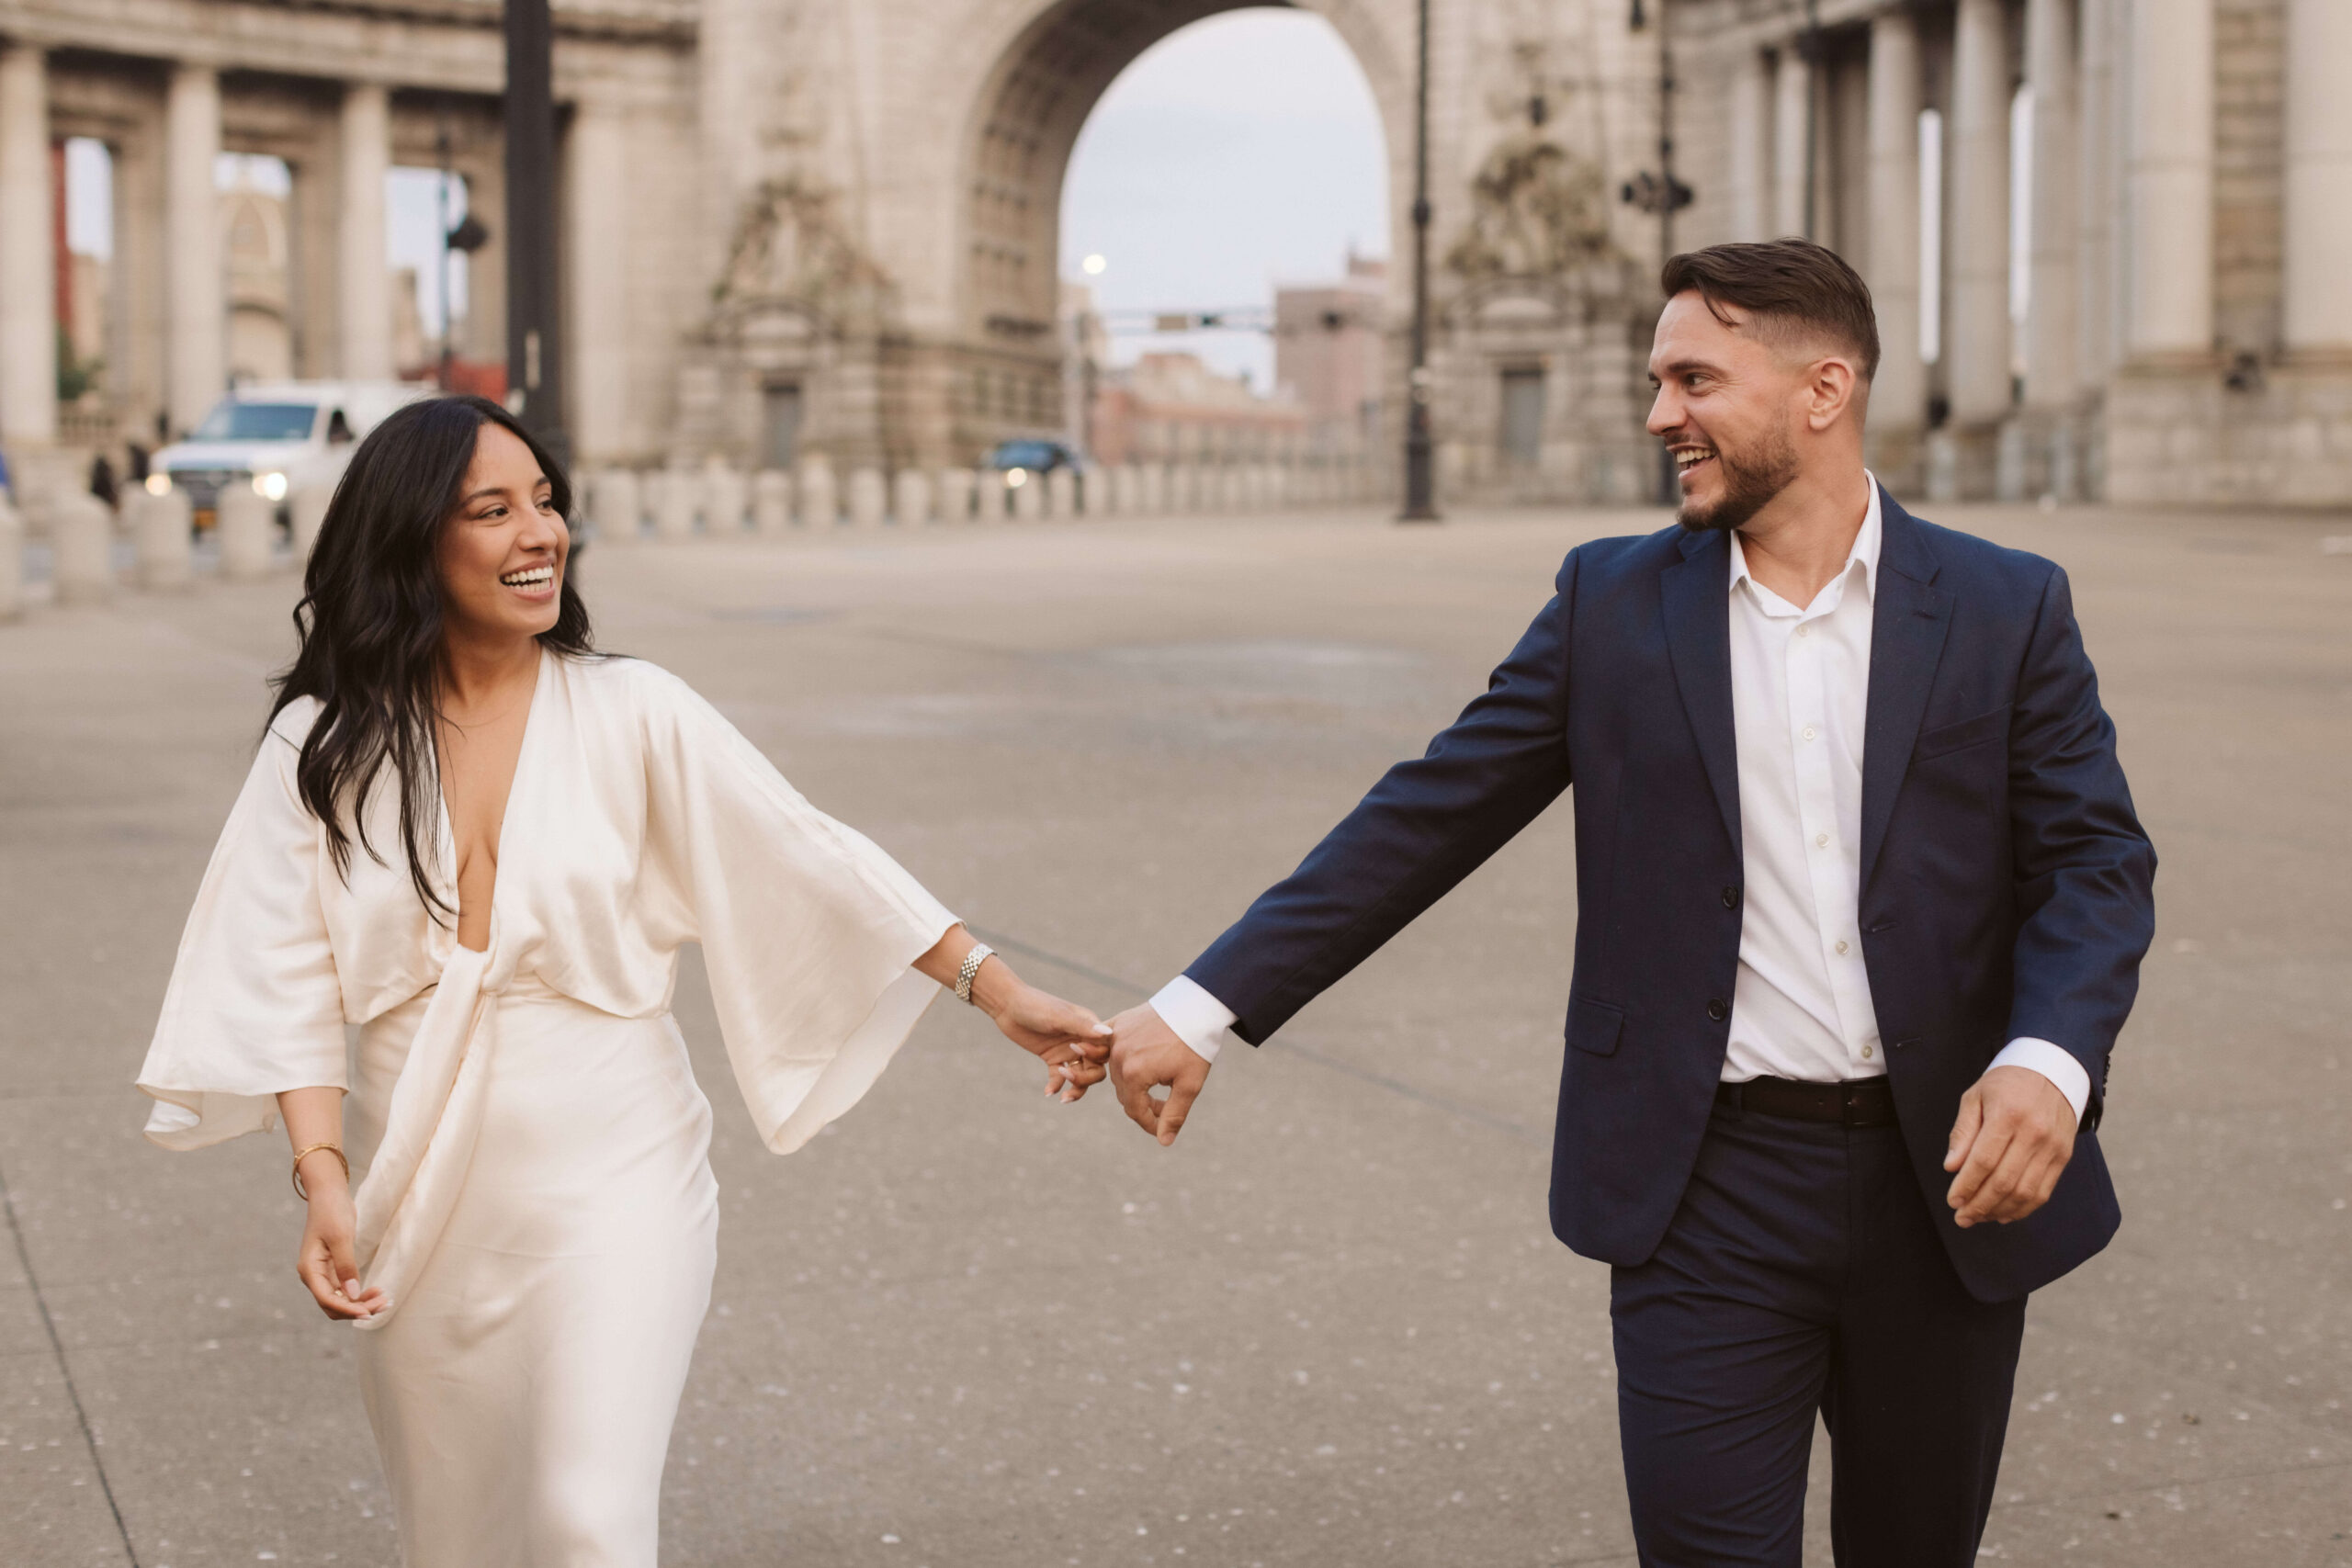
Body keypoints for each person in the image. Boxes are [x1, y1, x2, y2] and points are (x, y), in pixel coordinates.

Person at [1103, 240, 2155, 1566]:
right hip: (1703, 1183)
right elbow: (1426, 816)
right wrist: (1202, 1005)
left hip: (1946, 1181)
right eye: (1657, 381)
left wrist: (2048, 1058)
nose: (1660, 413)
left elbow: (2094, 860)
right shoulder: (1612, 605)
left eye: (1694, 379)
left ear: (1821, 390)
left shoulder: (2007, 606)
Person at [134, 394, 1111, 1566]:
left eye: (544, 500)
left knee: (589, 1523)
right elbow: (277, 969)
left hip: (618, 1162)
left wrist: (998, 990)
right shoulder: (323, 741)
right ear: (411, 543)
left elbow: (804, 854)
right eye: (491, 510)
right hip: (424, 1188)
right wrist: (323, 1177)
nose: (539, 532)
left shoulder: (632, 708)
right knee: (463, 1534)